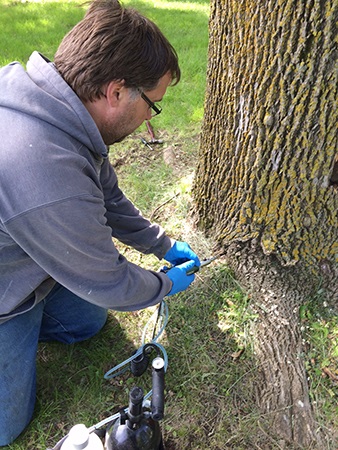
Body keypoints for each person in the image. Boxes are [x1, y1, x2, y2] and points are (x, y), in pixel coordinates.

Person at [0, 0, 200, 445]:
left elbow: (107, 197)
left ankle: (22, 329)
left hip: (21, 267)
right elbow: (107, 280)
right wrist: (165, 285)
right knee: (4, 425)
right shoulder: (45, 169)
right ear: (116, 91)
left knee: (86, 322)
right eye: (153, 104)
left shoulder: (58, 112)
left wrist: (162, 245)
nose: (150, 117)